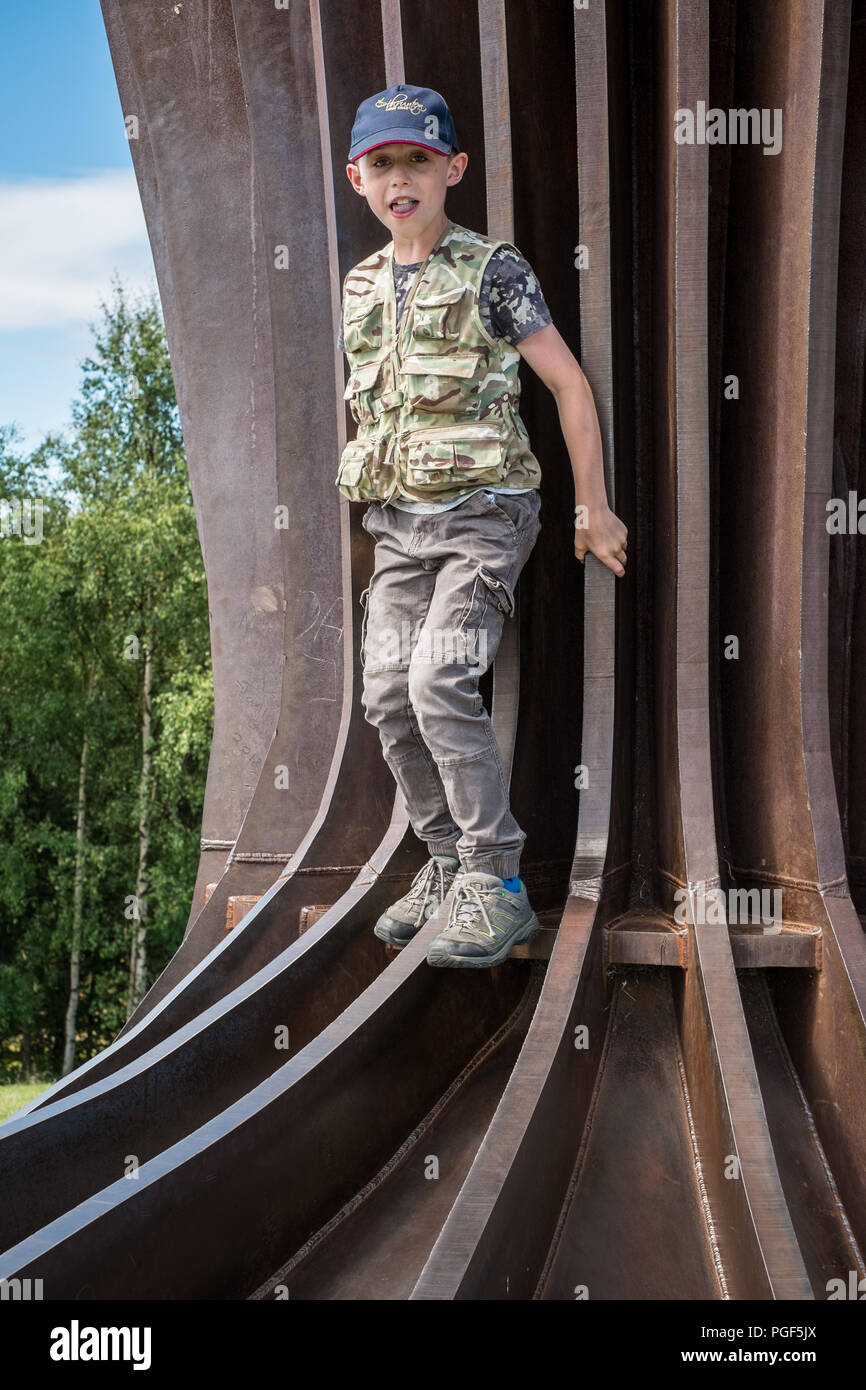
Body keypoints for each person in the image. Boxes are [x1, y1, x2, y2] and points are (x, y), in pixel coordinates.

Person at [336, 83, 627, 968]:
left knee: (436, 682)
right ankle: (447, 861)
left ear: (451, 170)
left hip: (485, 517)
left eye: (417, 162)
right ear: (359, 179)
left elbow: (568, 385)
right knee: (384, 694)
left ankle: (497, 882)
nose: (401, 181)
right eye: (383, 165)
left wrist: (594, 504)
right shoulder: (360, 286)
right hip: (400, 529)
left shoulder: (492, 271)